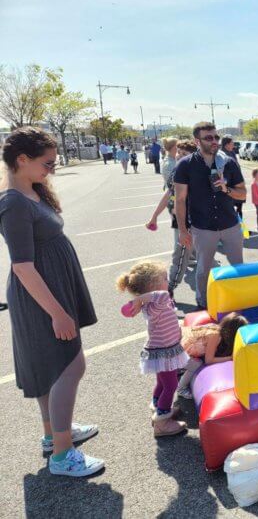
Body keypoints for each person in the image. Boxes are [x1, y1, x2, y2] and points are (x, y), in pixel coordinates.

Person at [0, 127, 103, 477]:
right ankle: (62, 455)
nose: (52, 170)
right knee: (70, 367)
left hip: (54, 289)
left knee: (52, 367)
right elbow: (23, 267)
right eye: (47, 163)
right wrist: (58, 313)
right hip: (42, 297)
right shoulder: (13, 202)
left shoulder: (30, 193)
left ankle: (53, 435)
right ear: (22, 160)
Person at [174, 122, 247, 310]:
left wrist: (226, 188)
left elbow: (243, 194)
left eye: (216, 137)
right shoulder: (185, 165)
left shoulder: (228, 162)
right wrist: (182, 230)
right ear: (197, 141)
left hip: (230, 225)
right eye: (209, 138)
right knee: (203, 270)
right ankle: (203, 303)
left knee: (238, 267)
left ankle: (239, 299)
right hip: (202, 227)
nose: (214, 141)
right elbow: (180, 200)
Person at [116, 261, 189, 437]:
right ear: (152, 287)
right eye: (164, 278)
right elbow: (164, 295)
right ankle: (162, 423)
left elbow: (164, 296)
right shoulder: (156, 302)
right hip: (163, 352)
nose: (168, 280)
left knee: (163, 383)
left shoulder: (154, 302)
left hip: (163, 350)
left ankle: (159, 406)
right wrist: (141, 298)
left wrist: (143, 298)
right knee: (171, 385)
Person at [145, 139, 197, 299]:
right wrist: (154, 216)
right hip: (183, 221)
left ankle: (209, 290)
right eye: (179, 153)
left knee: (205, 257)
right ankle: (168, 291)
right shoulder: (176, 172)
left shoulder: (199, 171)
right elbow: (168, 195)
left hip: (200, 221)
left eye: (184, 154)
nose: (180, 156)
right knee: (180, 256)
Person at [176, 312, 248, 398]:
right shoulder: (215, 336)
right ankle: (181, 388)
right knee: (196, 364)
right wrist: (230, 358)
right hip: (176, 353)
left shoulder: (216, 328)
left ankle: (179, 369)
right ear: (233, 332)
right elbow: (209, 360)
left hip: (177, 345)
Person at [221, 135, 244, 219]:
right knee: (230, 211)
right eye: (232, 143)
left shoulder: (232, 153)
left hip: (237, 185)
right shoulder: (222, 155)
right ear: (226, 145)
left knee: (239, 209)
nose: (233, 145)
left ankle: (242, 230)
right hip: (229, 188)